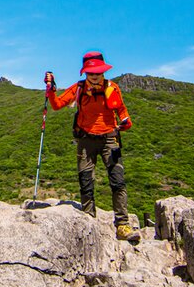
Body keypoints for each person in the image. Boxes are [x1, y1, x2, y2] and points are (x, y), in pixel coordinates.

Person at [45, 51, 138, 243]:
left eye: (98, 72)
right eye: (91, 73)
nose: (95, 76)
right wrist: (51, 90)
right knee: (86, 181)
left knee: (118, 181)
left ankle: (122, 225)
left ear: (103, 72)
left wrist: (126, 121)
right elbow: (57, 105)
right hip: (86, 140)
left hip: (110, 138)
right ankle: (88, 220)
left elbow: (121, 109)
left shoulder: (112, 88)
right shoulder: (79, 89)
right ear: (85, 73)